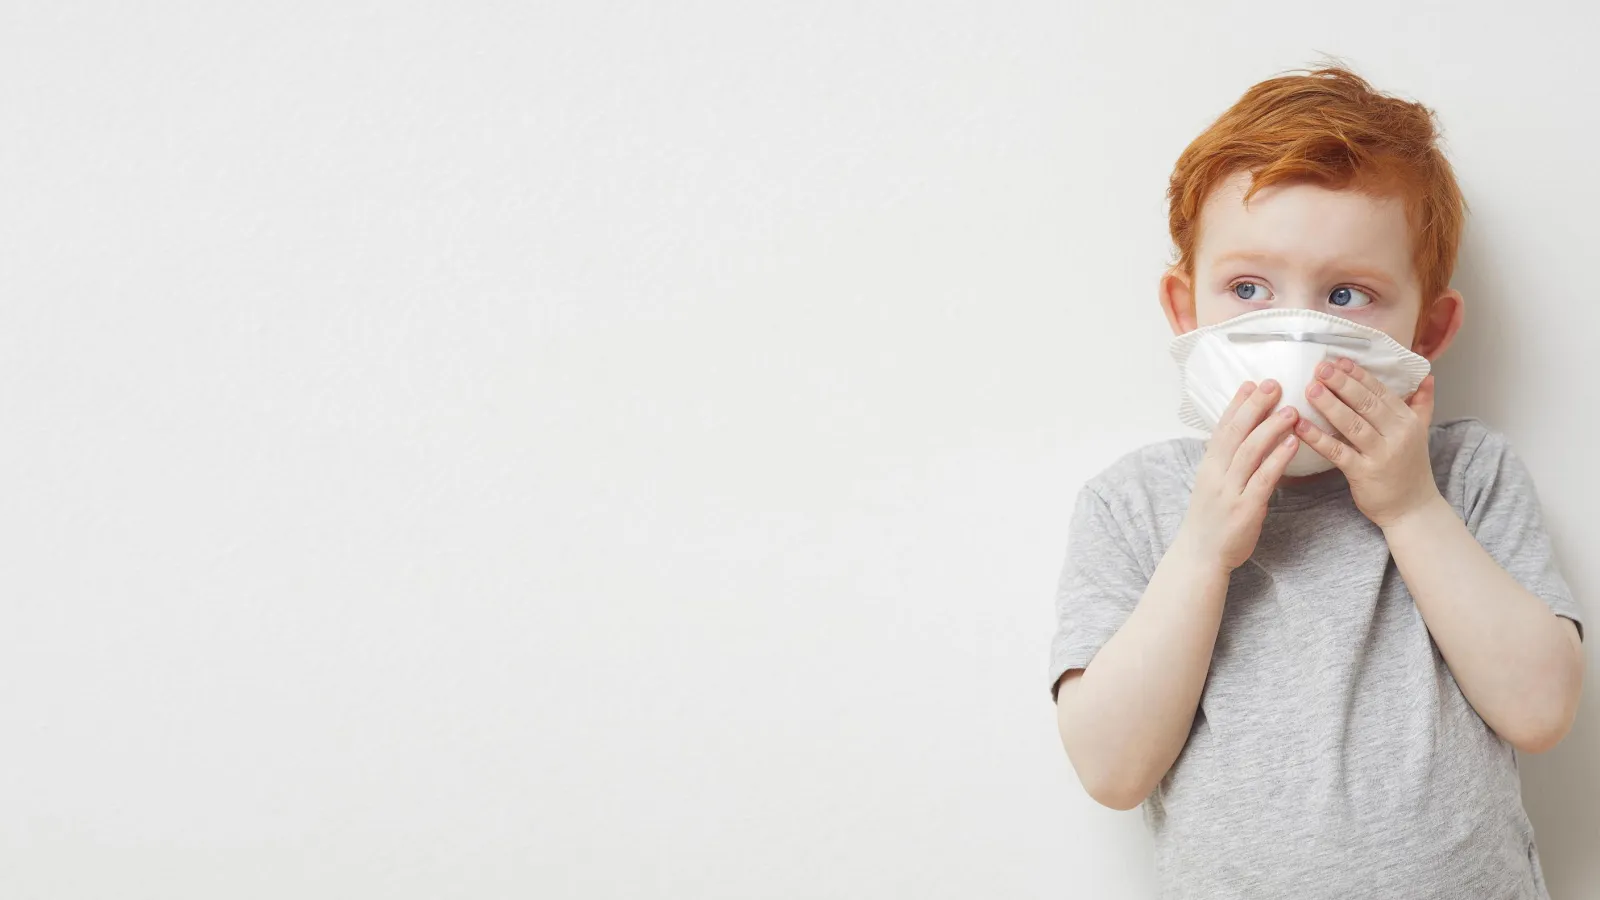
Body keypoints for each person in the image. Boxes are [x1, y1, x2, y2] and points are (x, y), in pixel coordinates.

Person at [1047, 64, 1586, 899]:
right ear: (1185, 309)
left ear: (1429, 327)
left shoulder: (1467, 475)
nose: (1294, 331)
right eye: (1249, 289)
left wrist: (1410, 507)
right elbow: (1112, 769)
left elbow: (1542, 709)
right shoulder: (1136, 504)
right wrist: (1200, 550)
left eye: (1346, 294)